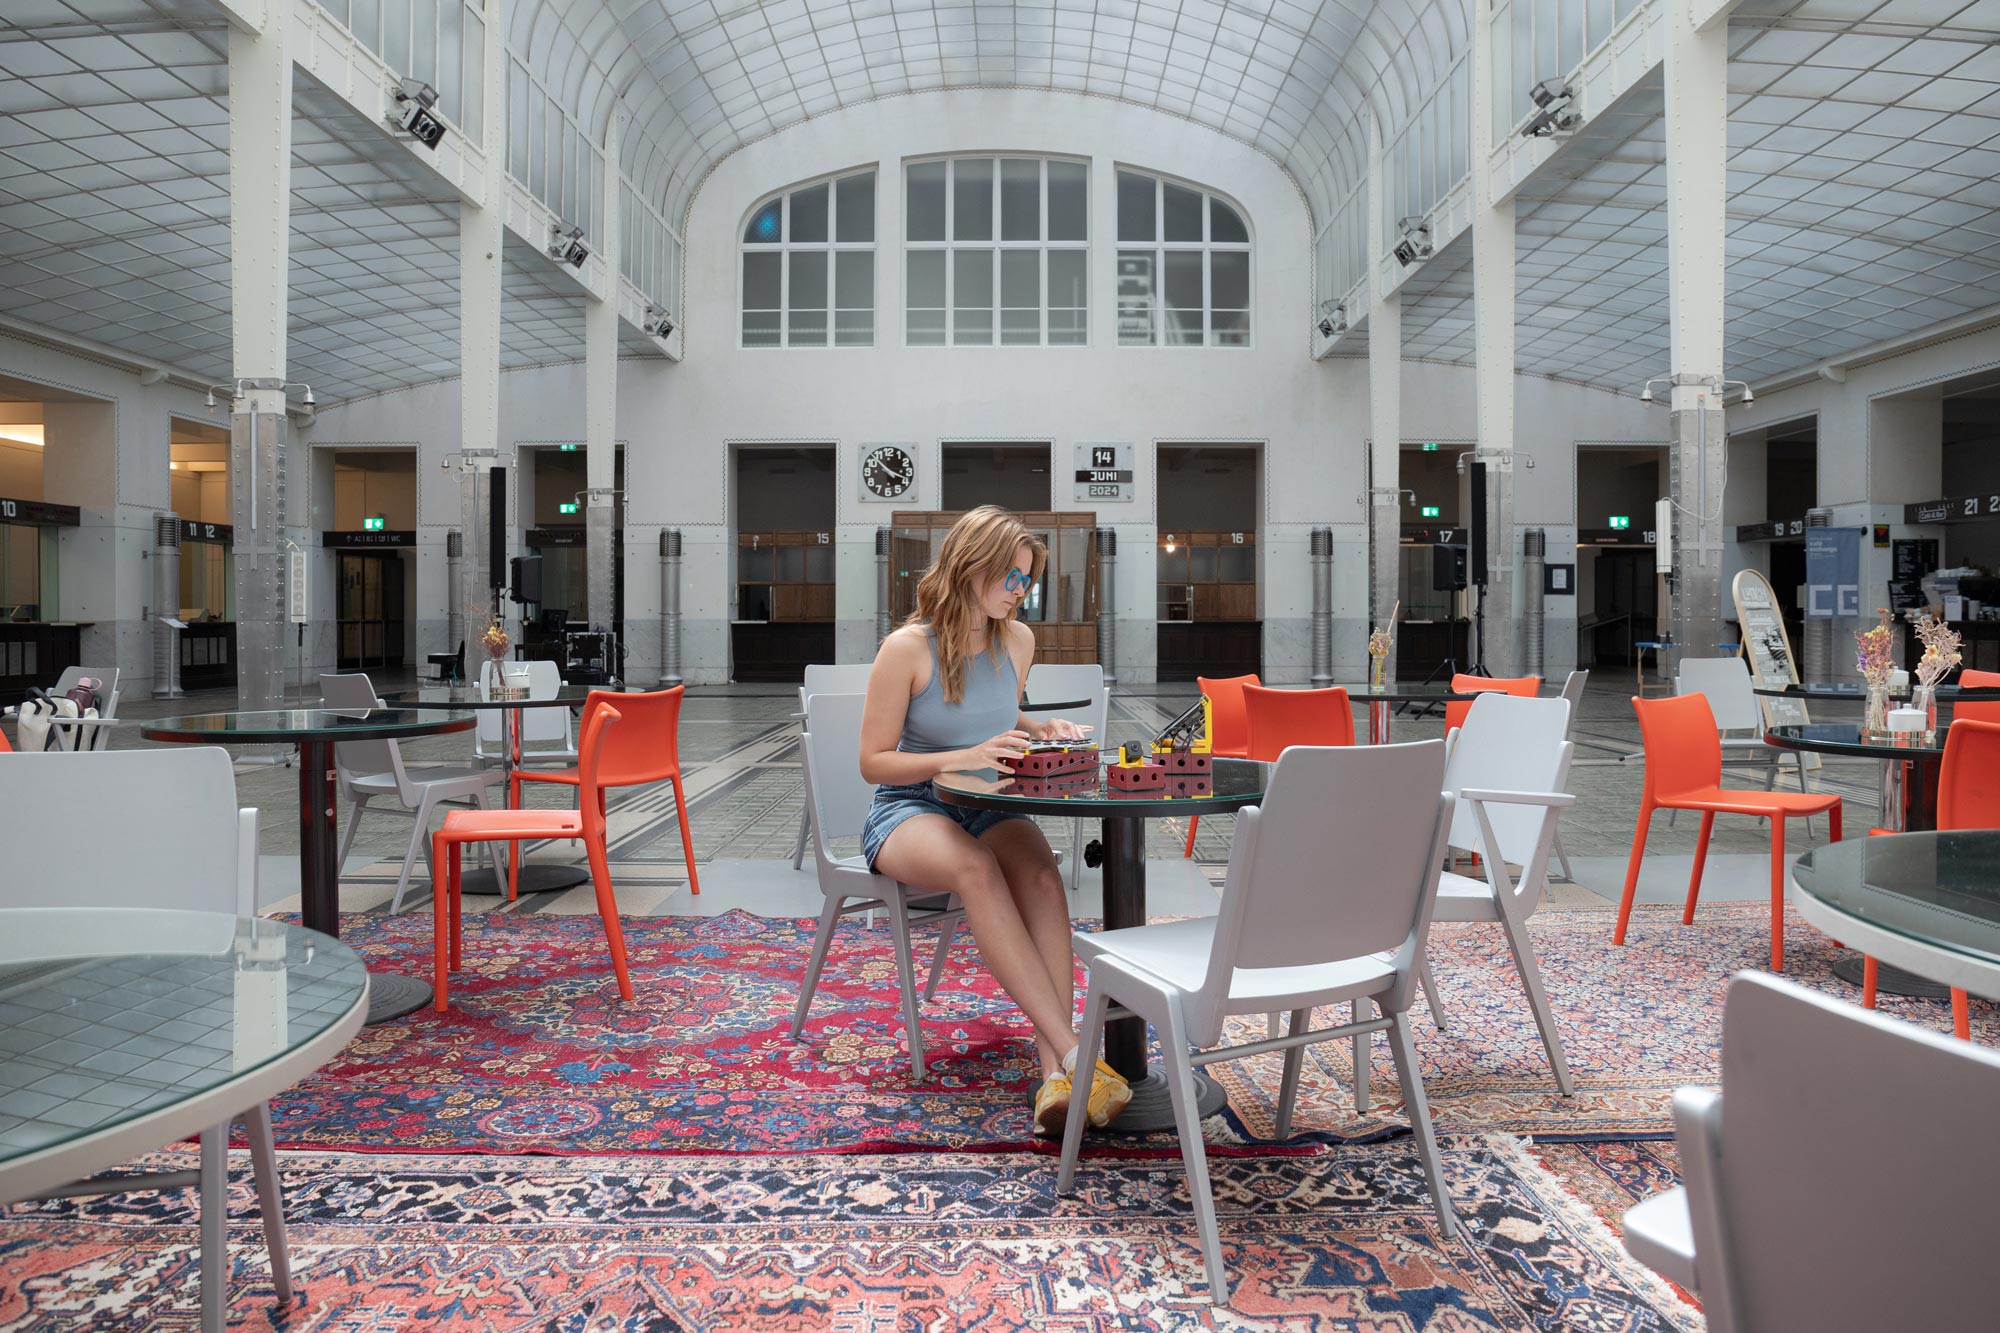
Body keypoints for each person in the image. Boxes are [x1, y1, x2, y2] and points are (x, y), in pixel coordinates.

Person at [859, 505, 1129, 1136]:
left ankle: (1055, 1076)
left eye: (1027, 580)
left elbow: (995, 716)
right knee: (977, 870)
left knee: (1040, 875)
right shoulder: (906, 649)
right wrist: (963, 757)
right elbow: (873, 762)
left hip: (989, 802)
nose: (1020, 591)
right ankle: (1073, 1052)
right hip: (910, 807)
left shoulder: (1018, 640)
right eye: (1011, 577)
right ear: (970, 567)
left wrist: (1039, 726)